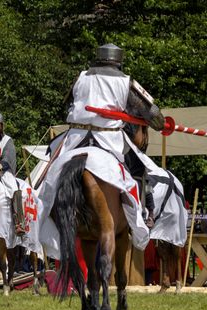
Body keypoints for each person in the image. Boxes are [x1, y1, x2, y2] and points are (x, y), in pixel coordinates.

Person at [47, 43, 165, 227]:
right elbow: (154, 116)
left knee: (51, 160)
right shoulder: (125, 82)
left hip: (75, 136)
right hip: (109, 138)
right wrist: (161, 124)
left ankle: (41, 209)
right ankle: (138, 214)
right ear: (119, 62)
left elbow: (67, 105)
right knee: (135, 168)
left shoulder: (81, 77)